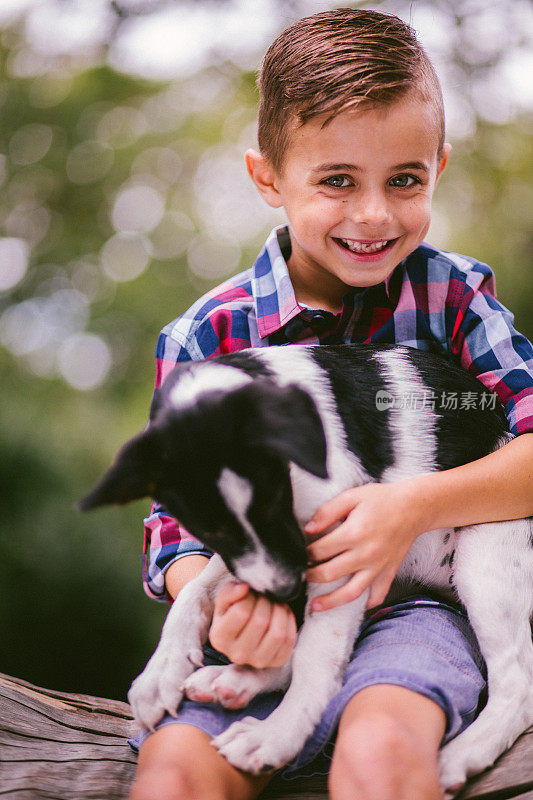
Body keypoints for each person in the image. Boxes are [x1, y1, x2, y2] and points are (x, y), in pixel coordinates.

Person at [128, 9, 533, 800]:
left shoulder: (452, 297)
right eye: (337, 180)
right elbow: (174, 532)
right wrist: (227, 606)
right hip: (273, 614)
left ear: (438, 169)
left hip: (423, 604)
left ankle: (504, 706)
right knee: (173, 772)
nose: (374, 215)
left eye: (404, 180)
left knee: (380, 753)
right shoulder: (206, 337)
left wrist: (410, 507)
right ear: (267, 177)